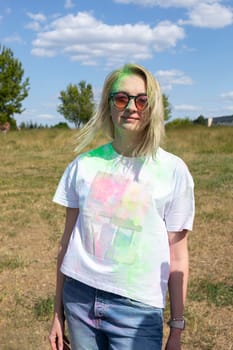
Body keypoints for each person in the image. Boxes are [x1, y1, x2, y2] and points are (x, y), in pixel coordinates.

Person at [49, 63, 195, 350]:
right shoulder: (82, 166)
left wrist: (176, 328)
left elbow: (178, 256)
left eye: (142, 99)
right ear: (109, 105)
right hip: (78, 300)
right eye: (121, 98)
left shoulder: (174, 170)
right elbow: (66, 243)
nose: (131, 107)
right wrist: (57, 312)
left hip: (137, 309)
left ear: (153, 107)